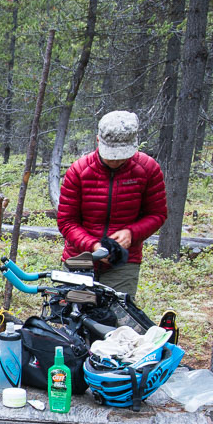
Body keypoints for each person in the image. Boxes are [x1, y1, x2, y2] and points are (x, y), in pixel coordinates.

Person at [56, 110, 167, 300]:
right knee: (73, 318)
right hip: (79, 258)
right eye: (111, 155)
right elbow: (67, 221)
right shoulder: (79, 171)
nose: (116, 161)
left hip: (123, 262)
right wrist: (94, 246)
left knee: (116, 321)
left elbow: (157, 214)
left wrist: (131, 233)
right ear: (98, 141)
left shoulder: (148, 169)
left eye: (121, 156)